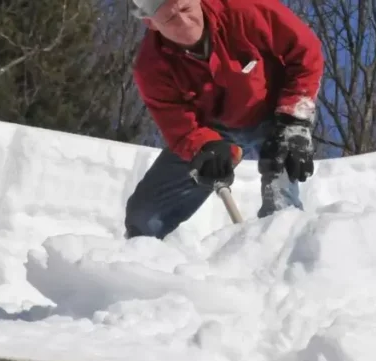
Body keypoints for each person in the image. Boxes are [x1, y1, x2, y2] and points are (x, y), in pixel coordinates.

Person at [125, 0, 324, 239]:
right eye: (170, 19)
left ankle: (281, 251)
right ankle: (139, 260)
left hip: (275, 113)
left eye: (187, 9)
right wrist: (204, 146)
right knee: (143, 216)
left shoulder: (246, 9)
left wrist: (295, 120)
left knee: (281, 205)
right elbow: (176, 122)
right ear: (151, 23)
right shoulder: (151, 66)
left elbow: (306, 52)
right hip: (212, 129)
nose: (185, 22)